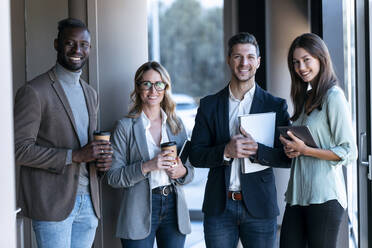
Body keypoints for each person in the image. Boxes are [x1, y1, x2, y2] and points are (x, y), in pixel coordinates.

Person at [14, 18, 113, 248]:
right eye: (70, 43)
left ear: (89, 48)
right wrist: (74, 156)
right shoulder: (34, 92)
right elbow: (18, 150)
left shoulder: (91, 94)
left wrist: (102, 160)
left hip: (89, 203)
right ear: (57, 44)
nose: (77, 50)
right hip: (53, 205)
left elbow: (86, 147)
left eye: (84, 45)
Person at [189, 32, 291, 248]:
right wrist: (225, 151)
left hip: (260, 208)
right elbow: (196, 155)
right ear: (228, 60)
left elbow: (286, 157)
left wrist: (257, 150)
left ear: (258, 62)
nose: (244, 63)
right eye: (237, 57)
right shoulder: (209, 105)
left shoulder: (276, 105)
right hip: (219, 207)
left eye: (250, 57)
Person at [279, 33, 358, 248]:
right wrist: (293, 149)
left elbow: (349, 151)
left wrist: (305, 150)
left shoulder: (334, 96)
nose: (301, 67)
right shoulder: (306, 98)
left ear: (321, 59)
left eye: (306, 60)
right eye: (296, 62)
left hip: (325, 197)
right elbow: (310, 143)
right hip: (297, 196)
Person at [106, 61, 194, 248]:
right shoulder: (125, 127)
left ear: (165, 88)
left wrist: (181, 172)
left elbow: (190, 172)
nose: (153, 90)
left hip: (174, 209)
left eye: (158, 84)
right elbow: (113, 177)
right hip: (137, 210)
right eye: (146, 84)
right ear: (138, 88)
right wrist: (148, 166)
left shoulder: (176, 125)